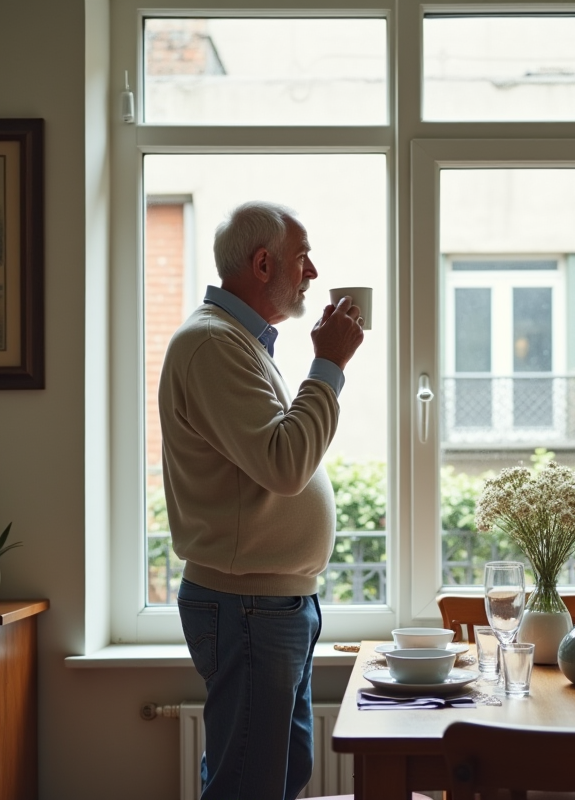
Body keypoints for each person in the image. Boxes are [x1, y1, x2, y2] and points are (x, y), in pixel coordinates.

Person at [157, 200, 364, 800]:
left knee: (276, 776)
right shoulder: (212, 345)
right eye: (303, 257)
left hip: (268, 602)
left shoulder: (240, 343)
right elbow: (285, 463)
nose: (314, 272)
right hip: (247, 604)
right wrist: (328, 364)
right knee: (250, 782)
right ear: (264, 262)